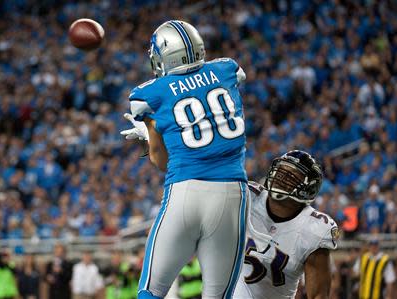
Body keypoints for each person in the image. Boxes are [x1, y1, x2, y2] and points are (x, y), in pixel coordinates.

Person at [121, 20, 248, 299]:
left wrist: (151, 134)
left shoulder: (148, 93)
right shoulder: (226, 68)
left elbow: (160, 160)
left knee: (150, 291)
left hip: (186, 190)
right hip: (232, 193)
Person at [234, 150, 339, 299]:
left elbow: (318, 295)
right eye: (280, 171)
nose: (280, 177)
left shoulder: (313, 229)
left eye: (291, 176)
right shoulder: (246, 196)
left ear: (308, 188)